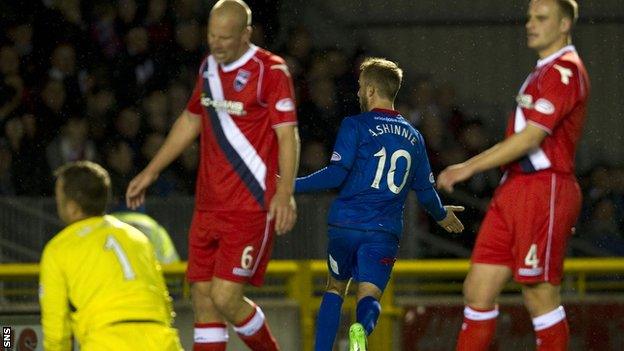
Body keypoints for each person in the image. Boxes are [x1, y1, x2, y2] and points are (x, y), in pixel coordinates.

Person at [125, 1, 299, 350]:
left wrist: (284, 193)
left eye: (225, 38)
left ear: (246, 34)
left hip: (249, 205)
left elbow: (288, 134)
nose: (216, 44)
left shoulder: (271, 70)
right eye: (211, 36)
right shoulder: (207, 69)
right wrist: (151, 170)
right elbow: (191, 119)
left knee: (225, 296)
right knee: (202, 298)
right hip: (208, 206)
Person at [437, 1, 589, 350]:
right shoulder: (542, 70)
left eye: (541, 18)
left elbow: (532, 137)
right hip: (515, 188)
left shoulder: (565, 70)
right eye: (529, 18)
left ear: (565, 24)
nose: (530, 24)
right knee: (478, 289)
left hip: (544, 187)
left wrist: (469, 166)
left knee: (539, 294)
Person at [295, 57, 465, 351]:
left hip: (345, 225)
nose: (360, 93)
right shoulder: (414, 137)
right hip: (383, 231)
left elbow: (336, 174)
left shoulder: (355, 125)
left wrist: (290, 186)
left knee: (335, 287)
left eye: (361, 87)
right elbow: (425, 190)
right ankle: (360, 330)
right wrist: (440, 214)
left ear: (372, 90)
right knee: (369, 295)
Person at [39, 161, 182, 351]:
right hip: (162, 342)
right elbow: (164, 301)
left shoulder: (58, 248)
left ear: (72, 207)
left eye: (58, 197)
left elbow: (56, 328)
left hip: (106, 342)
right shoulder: (137, 237)